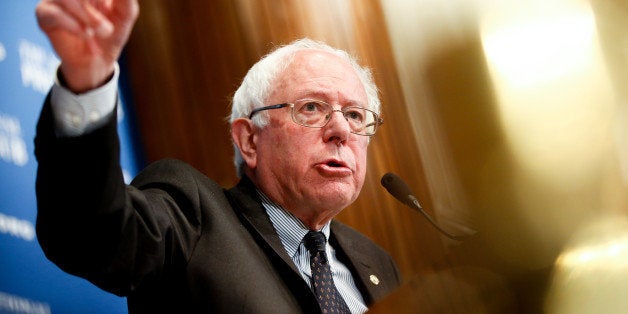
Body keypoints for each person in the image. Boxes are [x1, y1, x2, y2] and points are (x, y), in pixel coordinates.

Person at [34, 0, 401, 313]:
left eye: (355, 115)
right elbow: (90, 235)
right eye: (311, 107)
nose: (340, 130)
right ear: (249, 140)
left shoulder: (377, 264)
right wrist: (87, 82)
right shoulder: (193, 215)